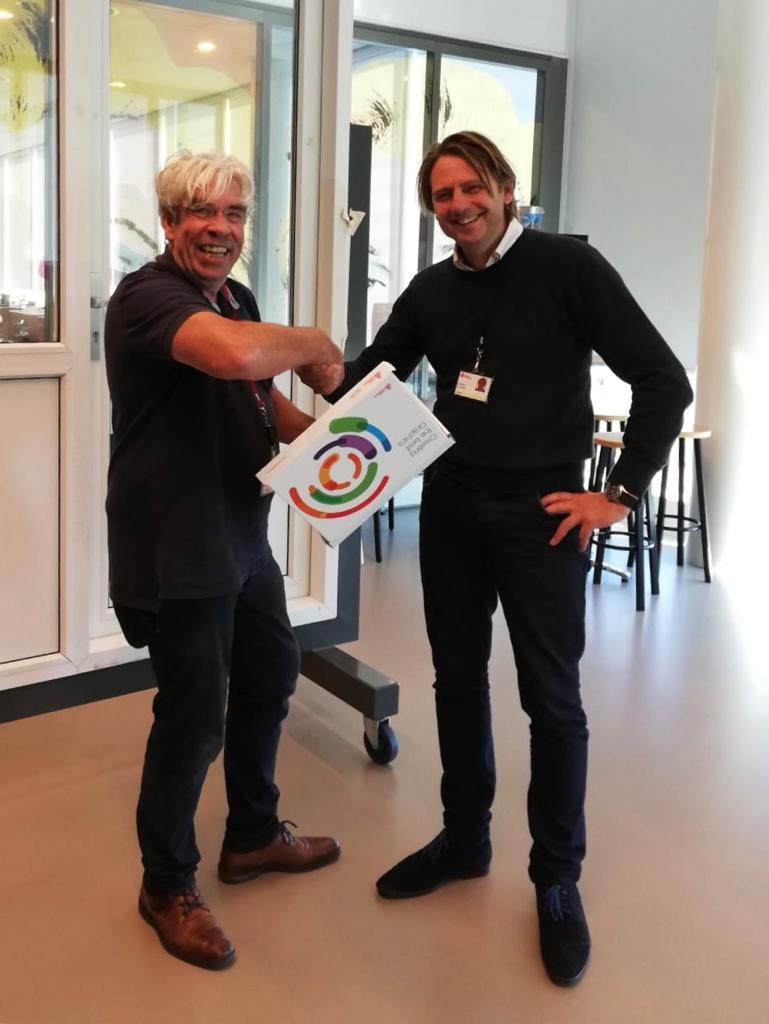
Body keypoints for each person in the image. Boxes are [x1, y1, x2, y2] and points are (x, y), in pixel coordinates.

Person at [301, 131, 692, 987]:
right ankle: (465, 840)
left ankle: (555, 880)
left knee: (551, 699)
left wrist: (617, 494)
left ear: (505, 188)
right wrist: (301, 357)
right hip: (452, 508)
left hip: (541, 516)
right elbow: (369, 380)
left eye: (470, 188)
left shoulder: (567, 268)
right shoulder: (431, 290)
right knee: (456, 679)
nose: (458, 206)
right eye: (441, 196)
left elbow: (664, 380)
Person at [105, 151, 344, 971]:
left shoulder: (235, 299)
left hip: (241, 532)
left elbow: (256, 393)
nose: (220, 229)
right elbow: (234, 358)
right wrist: (315, 342)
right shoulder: (147, 298)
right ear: (170, 221)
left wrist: (339, 446)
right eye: (202, 212)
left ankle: (251, 835)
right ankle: (165, 885)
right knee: (194, 717)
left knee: (272, 674)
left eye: (234, 213)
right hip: (176, 545)